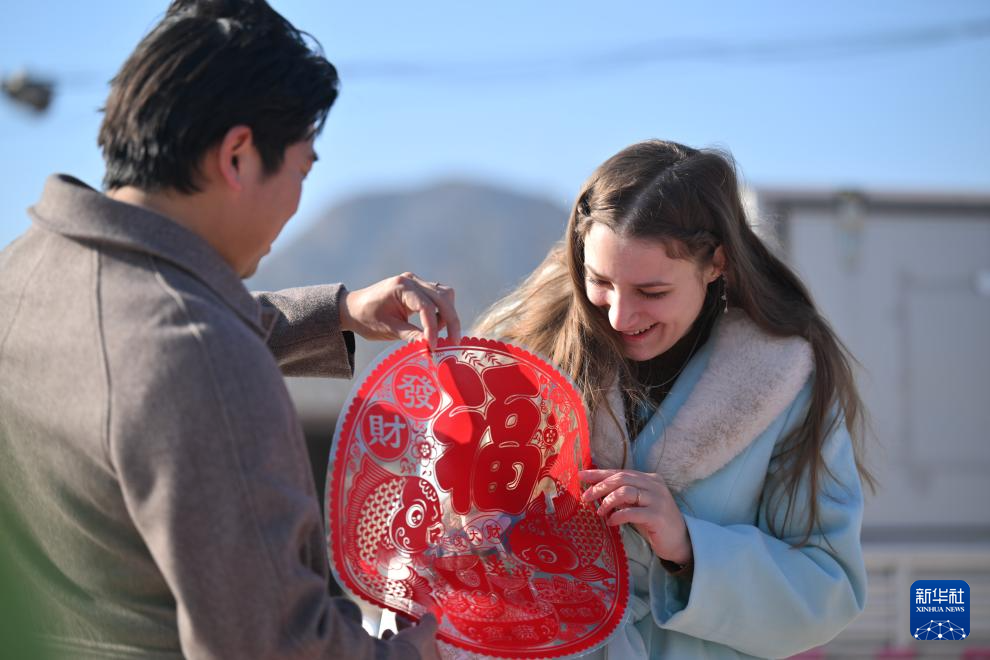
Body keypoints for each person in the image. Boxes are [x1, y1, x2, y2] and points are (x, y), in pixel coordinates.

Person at [0, 1, 457, 658]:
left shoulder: (25, 269)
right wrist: (410, 652)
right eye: (303, 167)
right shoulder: (198, 357)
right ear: (238, 155)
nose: (300, 197)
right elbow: (274, 644)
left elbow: (133, 345)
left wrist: (338, 313)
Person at [476, 139, 873, 658]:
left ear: (717, 264)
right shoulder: (520, 354)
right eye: (600, 282)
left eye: (652, 292)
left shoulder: (785, 381)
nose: (619, 316)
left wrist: (688, 547)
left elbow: (829, 590)